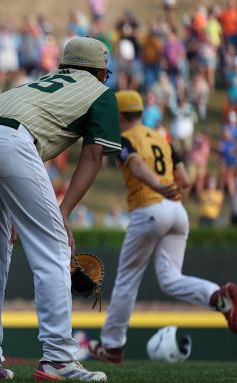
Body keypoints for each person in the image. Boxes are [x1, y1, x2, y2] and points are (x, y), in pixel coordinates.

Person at [0, 37, 120, 382]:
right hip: (11, 141)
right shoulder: (100, 92)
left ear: (64, 66)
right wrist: (65, 212)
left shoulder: (38, 84)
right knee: (55, 249)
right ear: (102, 71)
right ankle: (59, 358)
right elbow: (92, 156)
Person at [87, 92, 237, 363]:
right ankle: (218, 296)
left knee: (127, 280)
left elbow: (134, 163)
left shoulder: (125, 138)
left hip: (149, 208)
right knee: (170, 279)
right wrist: (168, 189)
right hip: (177, 212)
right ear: (140, 113)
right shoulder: (162, 139)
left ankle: (112, 345)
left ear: (120, 116)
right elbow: (186, 179)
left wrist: (156, 186)